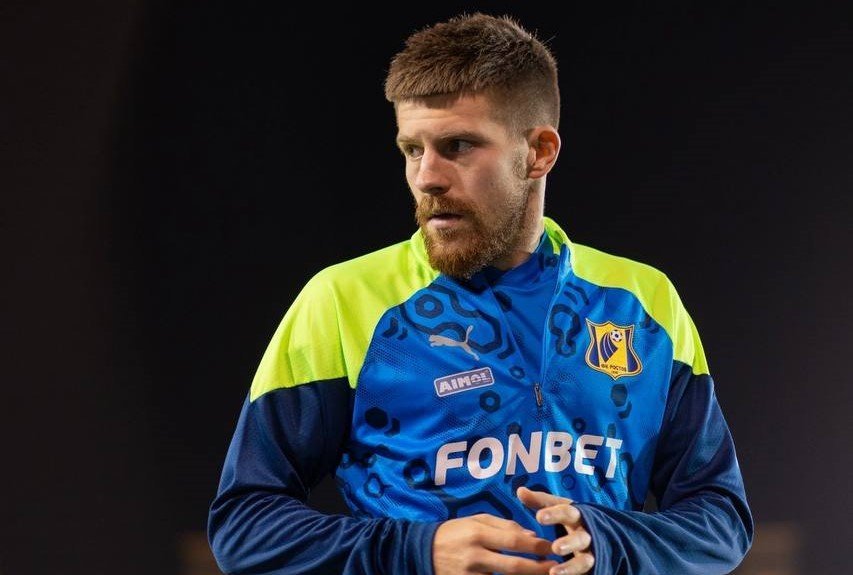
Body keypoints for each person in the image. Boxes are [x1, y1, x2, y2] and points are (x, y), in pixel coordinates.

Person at [207, 12, 753, 575]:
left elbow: (721, 521)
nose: (427, 177)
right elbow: (244, 527)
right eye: (412, 149)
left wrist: (610, 542)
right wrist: (416, 551)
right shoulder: (343, 301)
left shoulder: (642, 301)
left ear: (539, 152)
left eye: (459, 145)